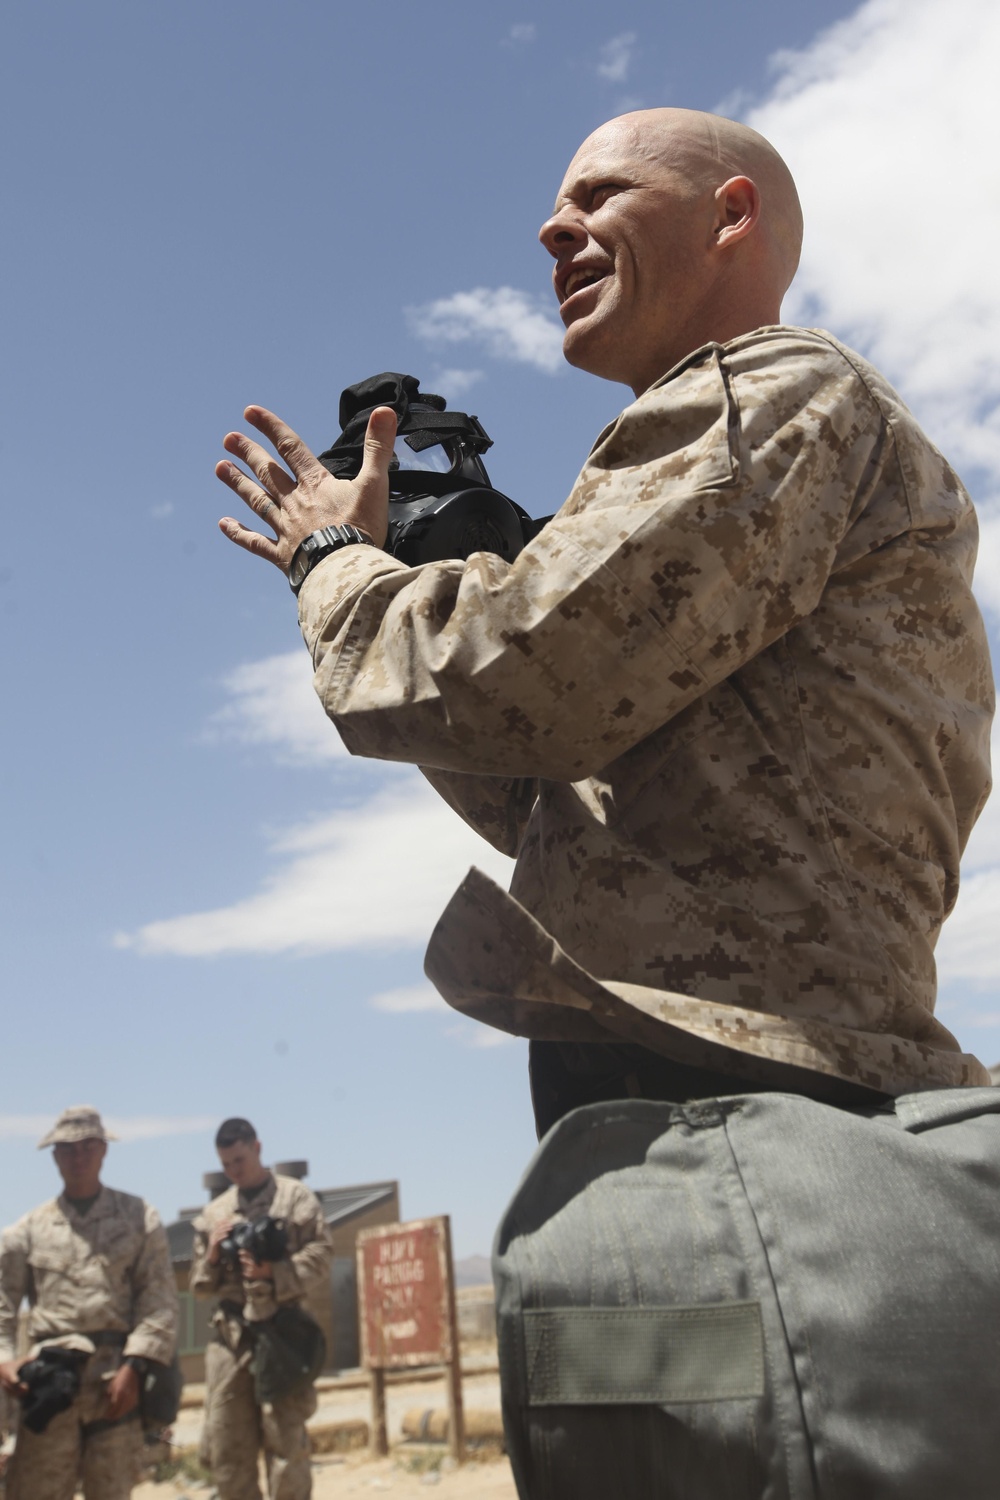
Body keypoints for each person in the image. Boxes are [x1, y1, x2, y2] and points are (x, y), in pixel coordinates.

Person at [214, 107, 994, 1126]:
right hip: (708, 1064)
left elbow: (515, 685)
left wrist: (334, 563)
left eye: (598, 194)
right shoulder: (732, 427)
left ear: (730, 215)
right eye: (553, 209)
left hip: (748, 1077)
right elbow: (541, 793)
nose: (552, 231)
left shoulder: (774, 390)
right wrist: (410, 572)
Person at [0, 1105, 178, 1500]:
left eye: (87, 1147)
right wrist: (5, 1360)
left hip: (114, 1387)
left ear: (103, 1150)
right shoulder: (25, 1232)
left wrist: (134, 1366)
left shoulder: (138, 1218)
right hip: (48, 1388)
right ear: (54, 1157)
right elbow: (3, 1308)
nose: (77, 1157)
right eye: (67, 1149)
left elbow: (159, 1300)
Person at [189, 1118, 332, 1500]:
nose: (234, 1169)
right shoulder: (215, 1213)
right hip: (232, 1338)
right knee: (228, 1447)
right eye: (226, 1164)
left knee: (286, 1443)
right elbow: (200, 1286)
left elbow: (322, 1255)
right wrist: (215, 1255)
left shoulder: (295, 1198)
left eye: (240, 1159)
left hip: (282, 1331)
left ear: (257, 1148)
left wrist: (276, 1272)